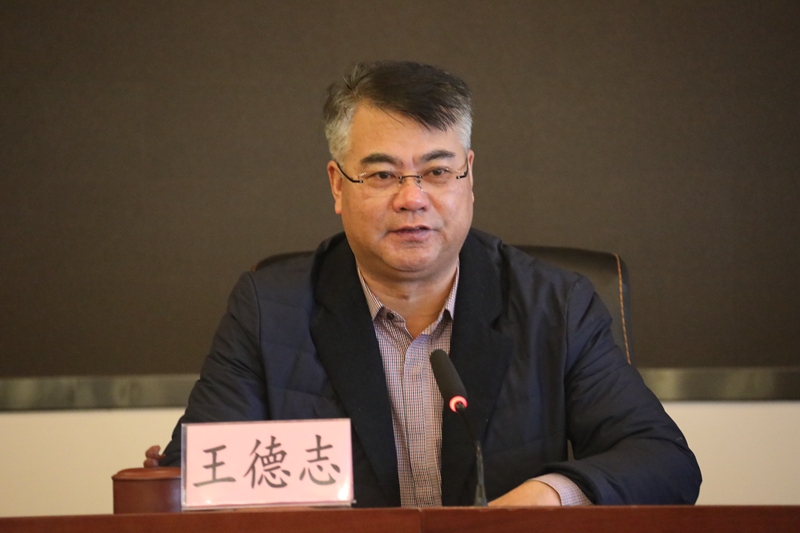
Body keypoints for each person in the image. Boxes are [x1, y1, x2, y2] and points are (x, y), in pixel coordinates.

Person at [157, 60, 701, 507]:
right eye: (382, 175)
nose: (412, 198)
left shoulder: (555, 305)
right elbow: (189, 481)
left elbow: (663, 461)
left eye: (438, 172)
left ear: (469, 176)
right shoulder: (268, 311)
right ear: (338, 186)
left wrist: (553, 495)